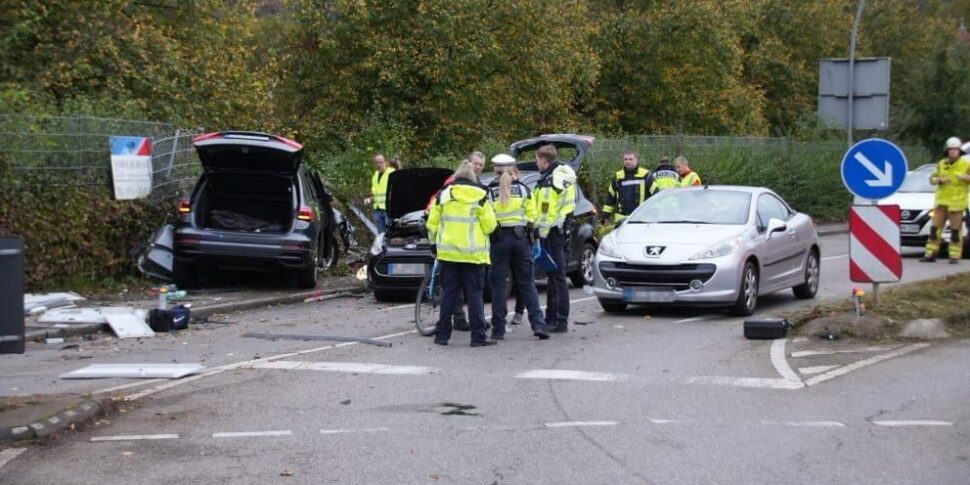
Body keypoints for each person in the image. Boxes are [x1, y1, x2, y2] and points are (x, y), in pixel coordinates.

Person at [426, 160, 498, 346]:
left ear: (457, 176)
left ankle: (442, 336)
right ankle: (478, 337)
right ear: (472, 177)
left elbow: (431, 224)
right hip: (474, 256)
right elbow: (490, 226)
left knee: (448, 294)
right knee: (474, 296)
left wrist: (434, 244)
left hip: (448, 254)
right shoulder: (481, 195)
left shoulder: (443, 195)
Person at [486, 154, 549, 340]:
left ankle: (498, 329)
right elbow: (533, 216)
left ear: (495, 171)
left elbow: (487, 219)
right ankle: (538, 325)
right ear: (513, 169)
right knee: (527, 283)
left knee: (499, 286)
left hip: (498, 240)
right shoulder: (523, 190)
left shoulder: (489, 191)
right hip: (521, 239)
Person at [530, 144, 576, 334]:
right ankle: (553, 318)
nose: (536, 163)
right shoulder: (561, 174)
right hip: (560, 231)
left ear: (543, 159)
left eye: (537, 160)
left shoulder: (551, 180)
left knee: (556, 277)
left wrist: (540, 234)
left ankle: (559, 320)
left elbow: (547, 212)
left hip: (552, 232)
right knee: (554, 276)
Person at [920, 137, 970, 264]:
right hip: (941, 203)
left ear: (959, 151)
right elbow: (932, 179)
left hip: (956, 204)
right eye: (951, 150)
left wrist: (964, 177)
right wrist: (939, 180)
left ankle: (954, 256)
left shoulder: (966, 164)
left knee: (955, 232)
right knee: (934, 230)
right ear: (947, 151)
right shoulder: (941, 163)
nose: (953, 152)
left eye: (955, 150)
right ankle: (930, 254)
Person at [602, 150, 650, 223]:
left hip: (641, 218)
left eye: (630, 159)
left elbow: (656, 195)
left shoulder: (646, 175)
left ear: (636, 160)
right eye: (625, 159)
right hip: (621, 220)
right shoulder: (618, 176)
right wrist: (605, 215)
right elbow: (610, 198)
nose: (628, 161)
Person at [364, 154, 395, 233]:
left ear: (386, 162)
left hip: (388, 210)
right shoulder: (375, 175)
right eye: (376, 163)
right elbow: (377, 194)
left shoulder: (392, 173)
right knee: (381, 236)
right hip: (377, 210)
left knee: (390, 234)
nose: (378, 165)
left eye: (380, 162)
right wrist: (370, 199)